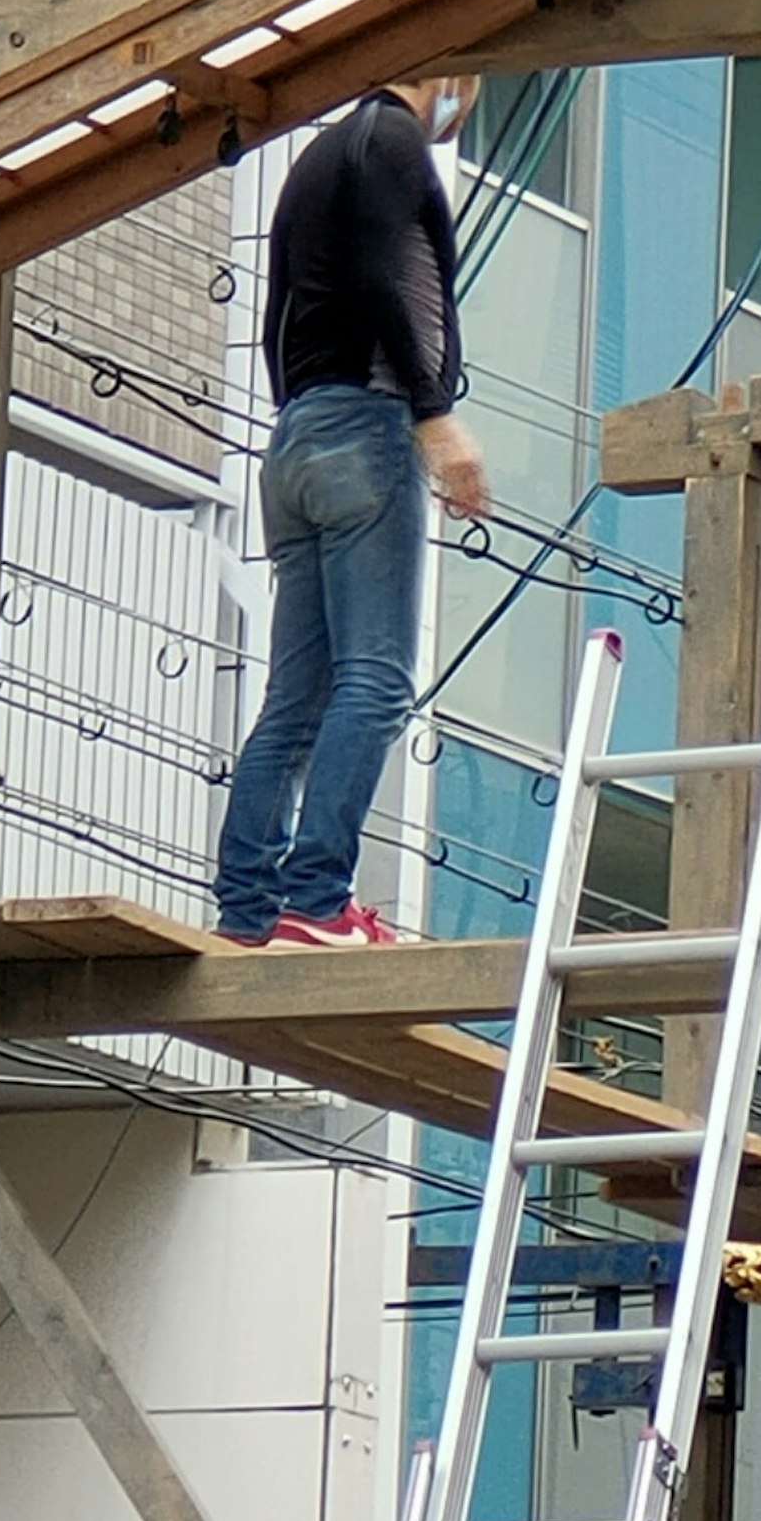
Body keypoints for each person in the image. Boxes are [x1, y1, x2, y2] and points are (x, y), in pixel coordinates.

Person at [213, 73, 490, 951]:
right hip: (365, 426)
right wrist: (433, 412)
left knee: (296, 695)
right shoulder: (393, 142)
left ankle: (248, 907)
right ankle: (319, 899)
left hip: (295, 433)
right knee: (376, 680)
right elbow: (383, 274)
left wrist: (303, 409)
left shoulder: (318, 154)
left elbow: (277, 314)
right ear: (450, 77)